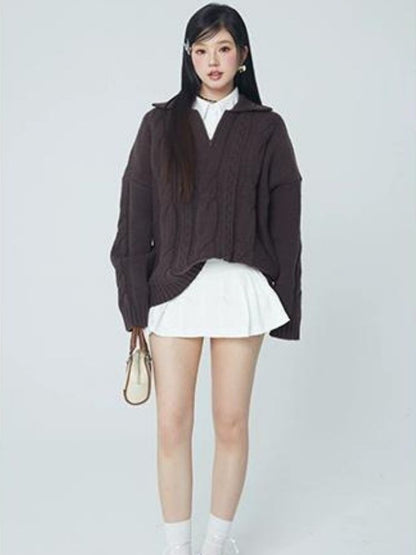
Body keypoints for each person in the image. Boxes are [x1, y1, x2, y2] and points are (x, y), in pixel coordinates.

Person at [109, 4, 303, 554]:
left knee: (231, 423)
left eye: (223, 48)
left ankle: (216, 544)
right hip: (173, 290)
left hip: (241, 288)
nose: (212, 60)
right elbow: (135, 218)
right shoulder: (159, 125)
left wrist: (286, 306)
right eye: (200, 49)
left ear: (243, 56)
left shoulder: (266, 128)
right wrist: (135, 305)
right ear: (188, 56)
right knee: (172, 423)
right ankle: (178, 548)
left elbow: (286, 224)